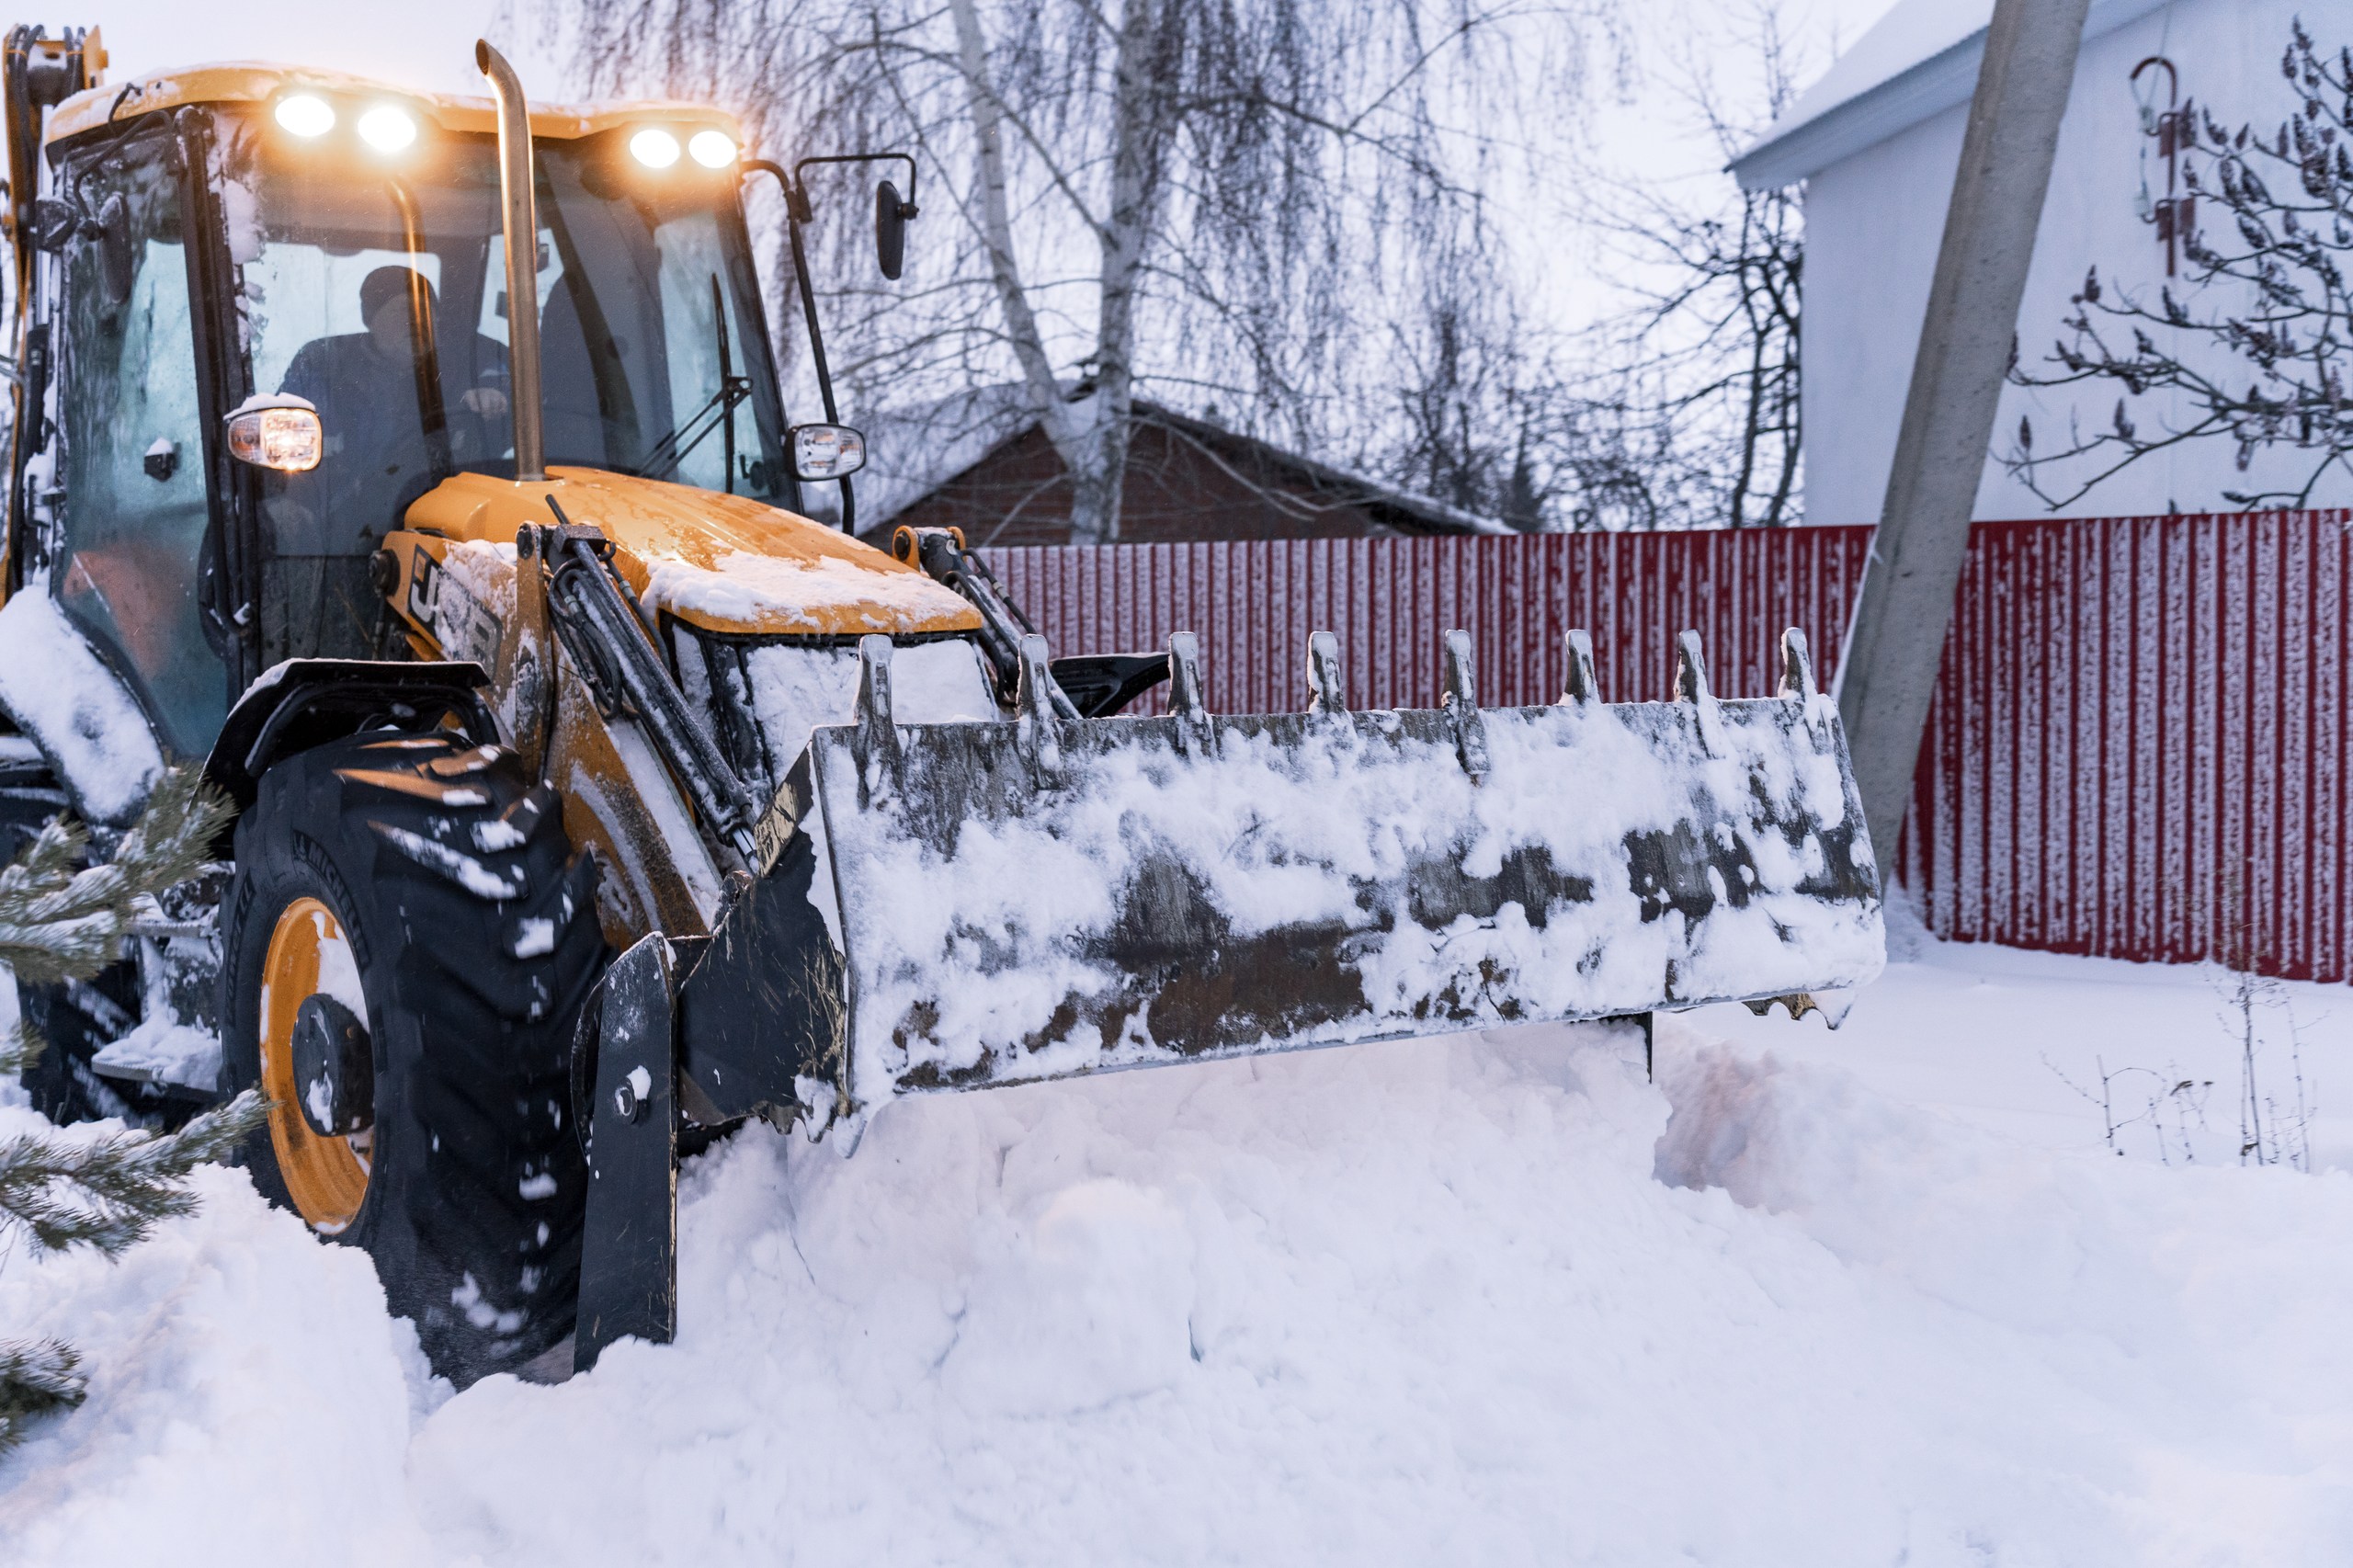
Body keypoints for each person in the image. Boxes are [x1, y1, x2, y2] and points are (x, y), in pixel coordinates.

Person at [275, 264, 511, 536]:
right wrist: (293, 500)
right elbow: (284, 440)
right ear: (370, 319)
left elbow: (513, 386)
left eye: (424, 311)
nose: (416, 321)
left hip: (446, 521)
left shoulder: (472, 357)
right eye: (402, 310)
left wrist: (492, 393)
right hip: (340, 524)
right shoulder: (323, 364)